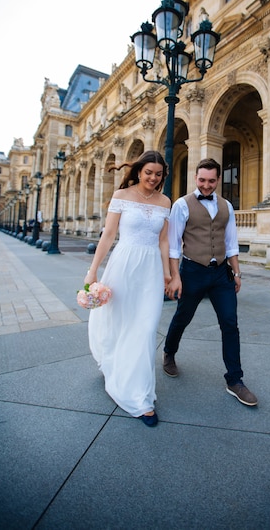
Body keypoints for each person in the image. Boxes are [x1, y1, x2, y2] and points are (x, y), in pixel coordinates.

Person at [85, 150, 171, 427]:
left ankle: (139, 396)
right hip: (123, 264)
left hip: (151, 270)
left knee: (145, 329)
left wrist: (168, 274)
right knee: (118, 321)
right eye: (148, 172)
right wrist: (93, 268)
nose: (153, 178)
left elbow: (164, 242)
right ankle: (115, 365)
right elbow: (109, 234)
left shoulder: (165, 201)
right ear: (138, 171)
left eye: (158, 174)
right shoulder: (122, 196)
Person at [164, 158, 258, 407]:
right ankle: (169, 353)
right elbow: (174, 245)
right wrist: (175, 277)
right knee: (182, 317)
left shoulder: (227, 206)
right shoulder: (182, 205)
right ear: (196, 178)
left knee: (230, 323)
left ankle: (235, 380)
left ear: (218, 180)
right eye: (202, 180)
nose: (207, 185)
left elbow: (231, 243)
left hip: (221, 275)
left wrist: (236, 273)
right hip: (192, 271)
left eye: (212, 180)